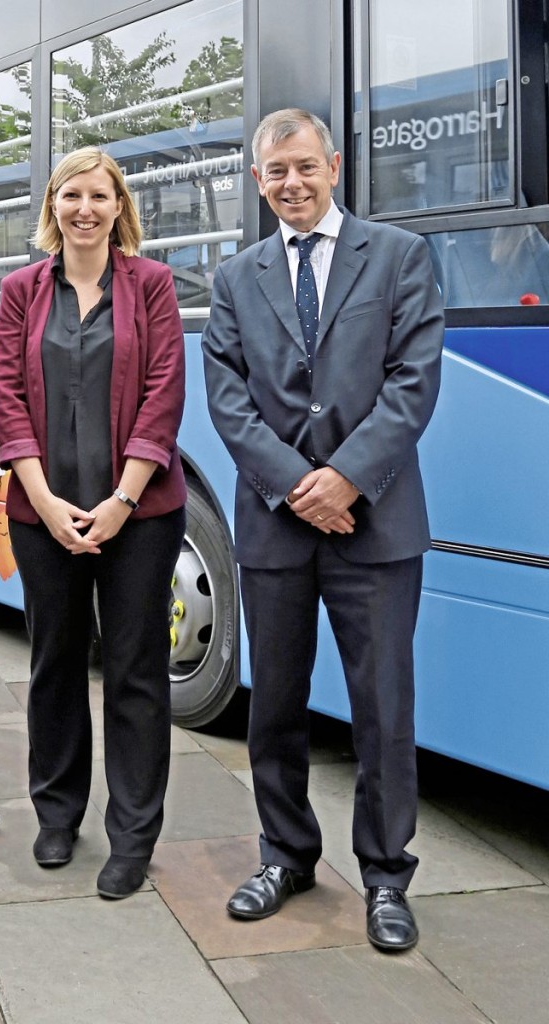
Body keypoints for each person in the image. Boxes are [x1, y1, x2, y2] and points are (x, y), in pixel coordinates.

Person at [202, 109, 443, 951]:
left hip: (375, 524)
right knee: (274, 705)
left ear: (333, 166)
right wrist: (297, 486)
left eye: (305, 166)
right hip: (276, 528)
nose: (292, 184)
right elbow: (226, 396)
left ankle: (385, 877)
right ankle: (286, 854)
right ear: (259, 180)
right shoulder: (236, 277)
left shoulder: (401, 256)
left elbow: (414, 380)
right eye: (276, 173)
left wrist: (345, 478)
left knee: (382, 711)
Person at [0, 147, 187, 900]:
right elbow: (7, 392)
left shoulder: (154, 285)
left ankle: (133, 833)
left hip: (137, 515)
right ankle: (57, 813)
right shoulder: (20, 290)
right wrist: (41, 499)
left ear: (118, 206)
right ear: (53, 205)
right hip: (42, 512)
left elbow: (165, 391)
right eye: (70, 194)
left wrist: (122, 501)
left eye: (98, 196)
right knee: (55, 661)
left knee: (137, 670)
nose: (84, 208)